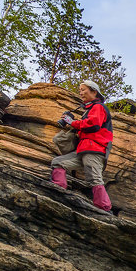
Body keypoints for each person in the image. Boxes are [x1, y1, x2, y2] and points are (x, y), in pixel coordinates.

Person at [50, 80, 114, 212]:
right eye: (80, 90)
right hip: (83, 150)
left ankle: (103, 208)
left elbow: (93, 125)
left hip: (94, 150)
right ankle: (58, 191)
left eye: (83, 89)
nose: (80, 92)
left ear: (94, 91)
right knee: (58, 162)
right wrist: (73, 124)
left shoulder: (99, 107)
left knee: (94, 178)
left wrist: (73, 122)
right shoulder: (89, 110)